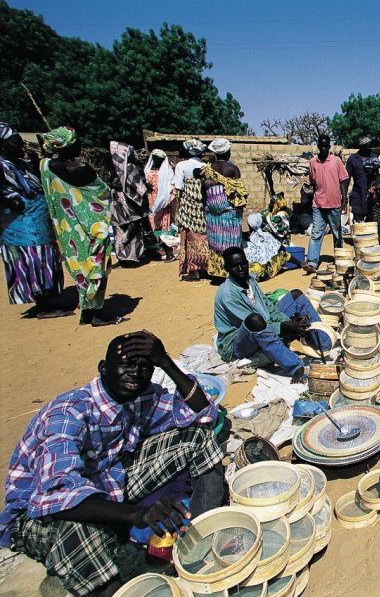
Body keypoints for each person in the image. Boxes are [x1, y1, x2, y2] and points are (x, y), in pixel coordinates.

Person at [0, 331, 224, 596]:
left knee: (197, 437)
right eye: (127, 364)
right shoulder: (68, 414)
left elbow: (202, 413)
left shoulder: (139, 397)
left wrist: (166, 362)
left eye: (144, 367)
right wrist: (137, 515)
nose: (136, 373)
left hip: (111, 483)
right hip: (40, 514)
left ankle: (199, 540)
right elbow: (58, 497)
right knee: (83, 532)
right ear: (103, 369)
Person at [38, 127, 123, 326]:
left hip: (67, 229)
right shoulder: (82, 170)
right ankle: (97, 315)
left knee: (81, 268)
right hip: (90, 225)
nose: (80, 145)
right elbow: (101, 193)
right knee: (96, 267)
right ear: (67, 145)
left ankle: (87, 312)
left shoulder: (45, 167)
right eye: (76, 142)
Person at [214, 247, 330, 383]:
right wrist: (285, 327)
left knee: (296, 296)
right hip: (237, 341)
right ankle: (296, 367)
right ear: (226, 268)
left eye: (243, 263)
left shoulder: (249, 280)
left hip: (262, 321)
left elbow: (268, 307)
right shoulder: (227, 294)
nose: (240, 269)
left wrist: (288, 322)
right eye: (234, 266)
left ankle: (323, 343)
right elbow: (254, 323)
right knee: (256, 320)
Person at [0, 123, 69, 317]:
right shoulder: (2, 166)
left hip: (36, 220)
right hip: (20, 225)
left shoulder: (20, 164)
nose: (20, 145)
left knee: (44, 255)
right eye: (15, 141)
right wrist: (11, 200)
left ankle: (46, 298)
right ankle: (42, 305)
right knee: (31, 258)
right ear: (3, 144)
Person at [109, 141, 172, 266]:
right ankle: (127, 257)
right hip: (123, 206)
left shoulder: (131, 168)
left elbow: (141, 188)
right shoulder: (118, 169)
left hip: (134, 206)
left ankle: (165, 249)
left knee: (144, 230)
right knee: (124, 233)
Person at [199, 138, 247, 278]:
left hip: (212, 210)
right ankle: (229, 271)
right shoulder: (232, 169)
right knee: (231, 239)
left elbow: (203, 189)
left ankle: (216, 270)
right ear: (228, 152)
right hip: (229, 210)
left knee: (216, 239)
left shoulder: (208, 169)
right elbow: (239, 190)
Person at [304, 134, 349, 274]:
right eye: (321, 146)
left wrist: (344, 199)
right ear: (318, 146)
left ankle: (340, 259)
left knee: (337, 233)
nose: (323, 148)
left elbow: (343, 180)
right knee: (316, 233)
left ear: (329, 147)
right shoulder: (312, 162)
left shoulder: (336, 161)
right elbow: (312, 181)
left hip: (334, 203)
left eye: (326, 146)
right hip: (318, 204)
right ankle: (312, 262)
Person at [173, 138, 209, 281]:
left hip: (188, 206)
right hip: (203, 206)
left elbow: (179, 188)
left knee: (189, 236)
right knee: (203, 236)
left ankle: (194, 270)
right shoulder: (206, 166)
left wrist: (180, 206)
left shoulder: (181, 165)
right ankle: (206, 266)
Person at [244, 212, 290, 280]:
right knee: (282, 254)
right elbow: (282, 249)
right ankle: (301, 263)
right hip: (270, 270)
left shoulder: (247, 240)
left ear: (249, 225)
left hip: (257, 272)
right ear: (261, 223)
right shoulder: (267, 235)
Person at [144, 149, 175, 231]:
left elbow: (171, 185)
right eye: (155, 158)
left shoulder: (168, 171)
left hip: (162, 197)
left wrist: (167, 197)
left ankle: (162, 235)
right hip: (150, 197)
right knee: (151, 215)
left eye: (159, 159)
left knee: (162, 216)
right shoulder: (147, 170)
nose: (156, 160)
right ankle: (152, 234)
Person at [346, 136, 373, 221]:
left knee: (372, 222)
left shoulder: (374, 157)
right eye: (366, 145)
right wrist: (344, 195)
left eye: (369, 145)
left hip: (372, 195)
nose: (369, 147)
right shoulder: (353, 159)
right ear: (361, 147)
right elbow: (347, 178)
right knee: (358, 222)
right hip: (358, 194)